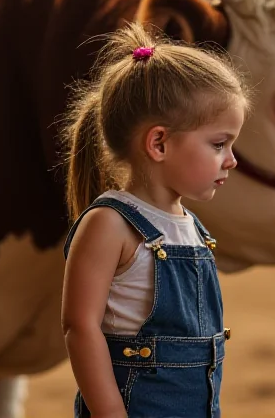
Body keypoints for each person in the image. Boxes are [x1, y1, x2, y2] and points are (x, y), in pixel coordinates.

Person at [61, 23, 250, 418]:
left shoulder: (193, 228)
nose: (231, 159)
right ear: (159, 143)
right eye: (219, 144)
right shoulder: (110, 224)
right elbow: (80, 328)